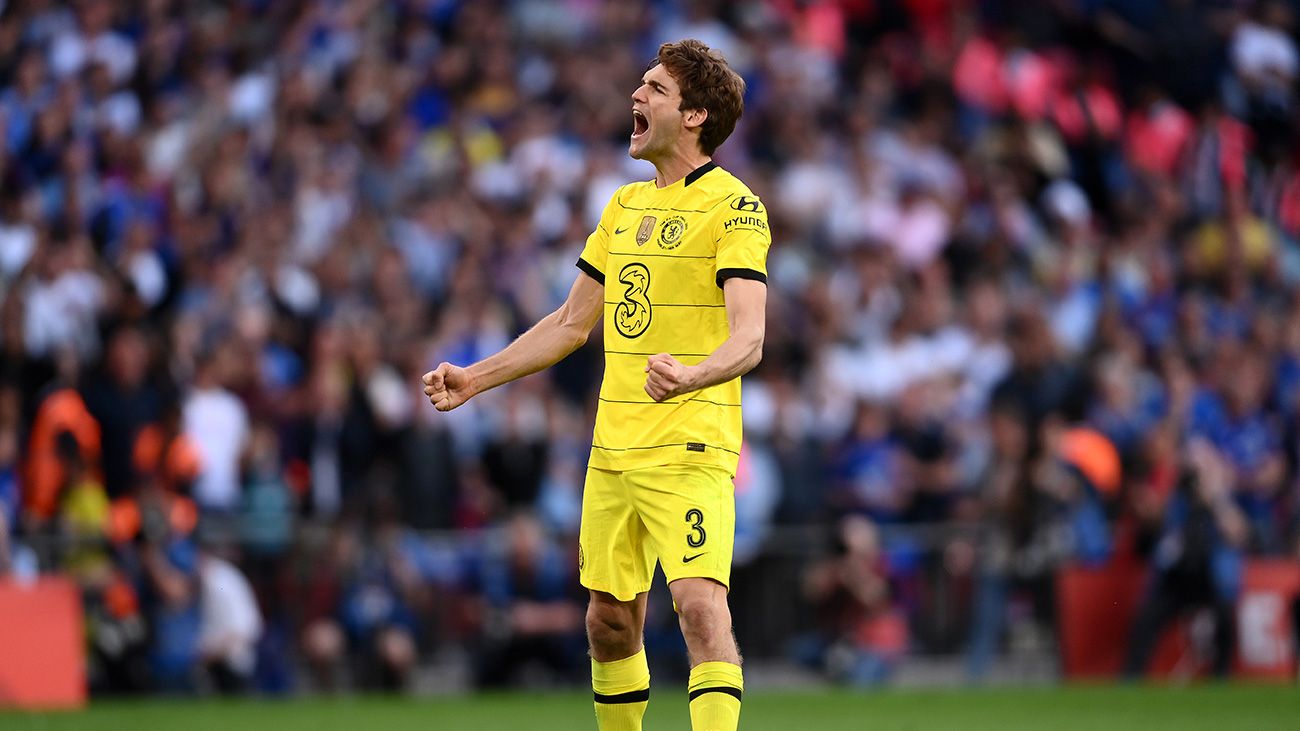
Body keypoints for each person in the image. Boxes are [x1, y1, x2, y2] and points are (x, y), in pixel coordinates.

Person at [424, 39, 766, 731]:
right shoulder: (622, 206)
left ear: (695, 114)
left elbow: (750, 336)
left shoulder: (735, 208)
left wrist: (694, 374)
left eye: (654, 89)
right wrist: (476, 378)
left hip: (690, 448)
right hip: (614, 451)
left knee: (700, 608)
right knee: (610, 621)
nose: (636, 97)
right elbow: (571, 323)